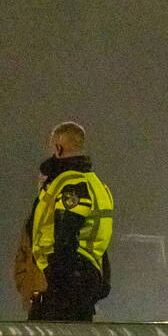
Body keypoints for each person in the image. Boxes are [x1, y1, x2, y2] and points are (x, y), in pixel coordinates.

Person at [29, 121, 114, 322]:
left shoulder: (72, 185)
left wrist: (57, 283)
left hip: (69, 282)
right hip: (85, 277)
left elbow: (65, 238)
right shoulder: (96, 184)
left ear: (58, 148)